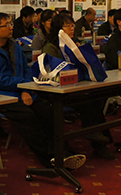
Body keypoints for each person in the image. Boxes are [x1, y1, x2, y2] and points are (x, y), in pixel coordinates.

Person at [0, 12, 85, 170]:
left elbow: (26, 70)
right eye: (6, 25)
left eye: (11, 24)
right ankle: (50, 158)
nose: (11, 28)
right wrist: (22, 88)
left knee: (48, 112)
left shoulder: (14, 46)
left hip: (22, 91)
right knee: (27, 116)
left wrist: (26, 89)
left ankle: (65, 152)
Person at [42, 13, 115, 160]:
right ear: (58, 29)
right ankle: (95, 136)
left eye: (72, 25)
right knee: (88, 101)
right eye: (67, 26)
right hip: (58, 92)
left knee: (95, 97)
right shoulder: (51, 47)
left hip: (76, 86)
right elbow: (52, 72)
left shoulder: (73, 43)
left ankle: (98, 137)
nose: (71, 28)